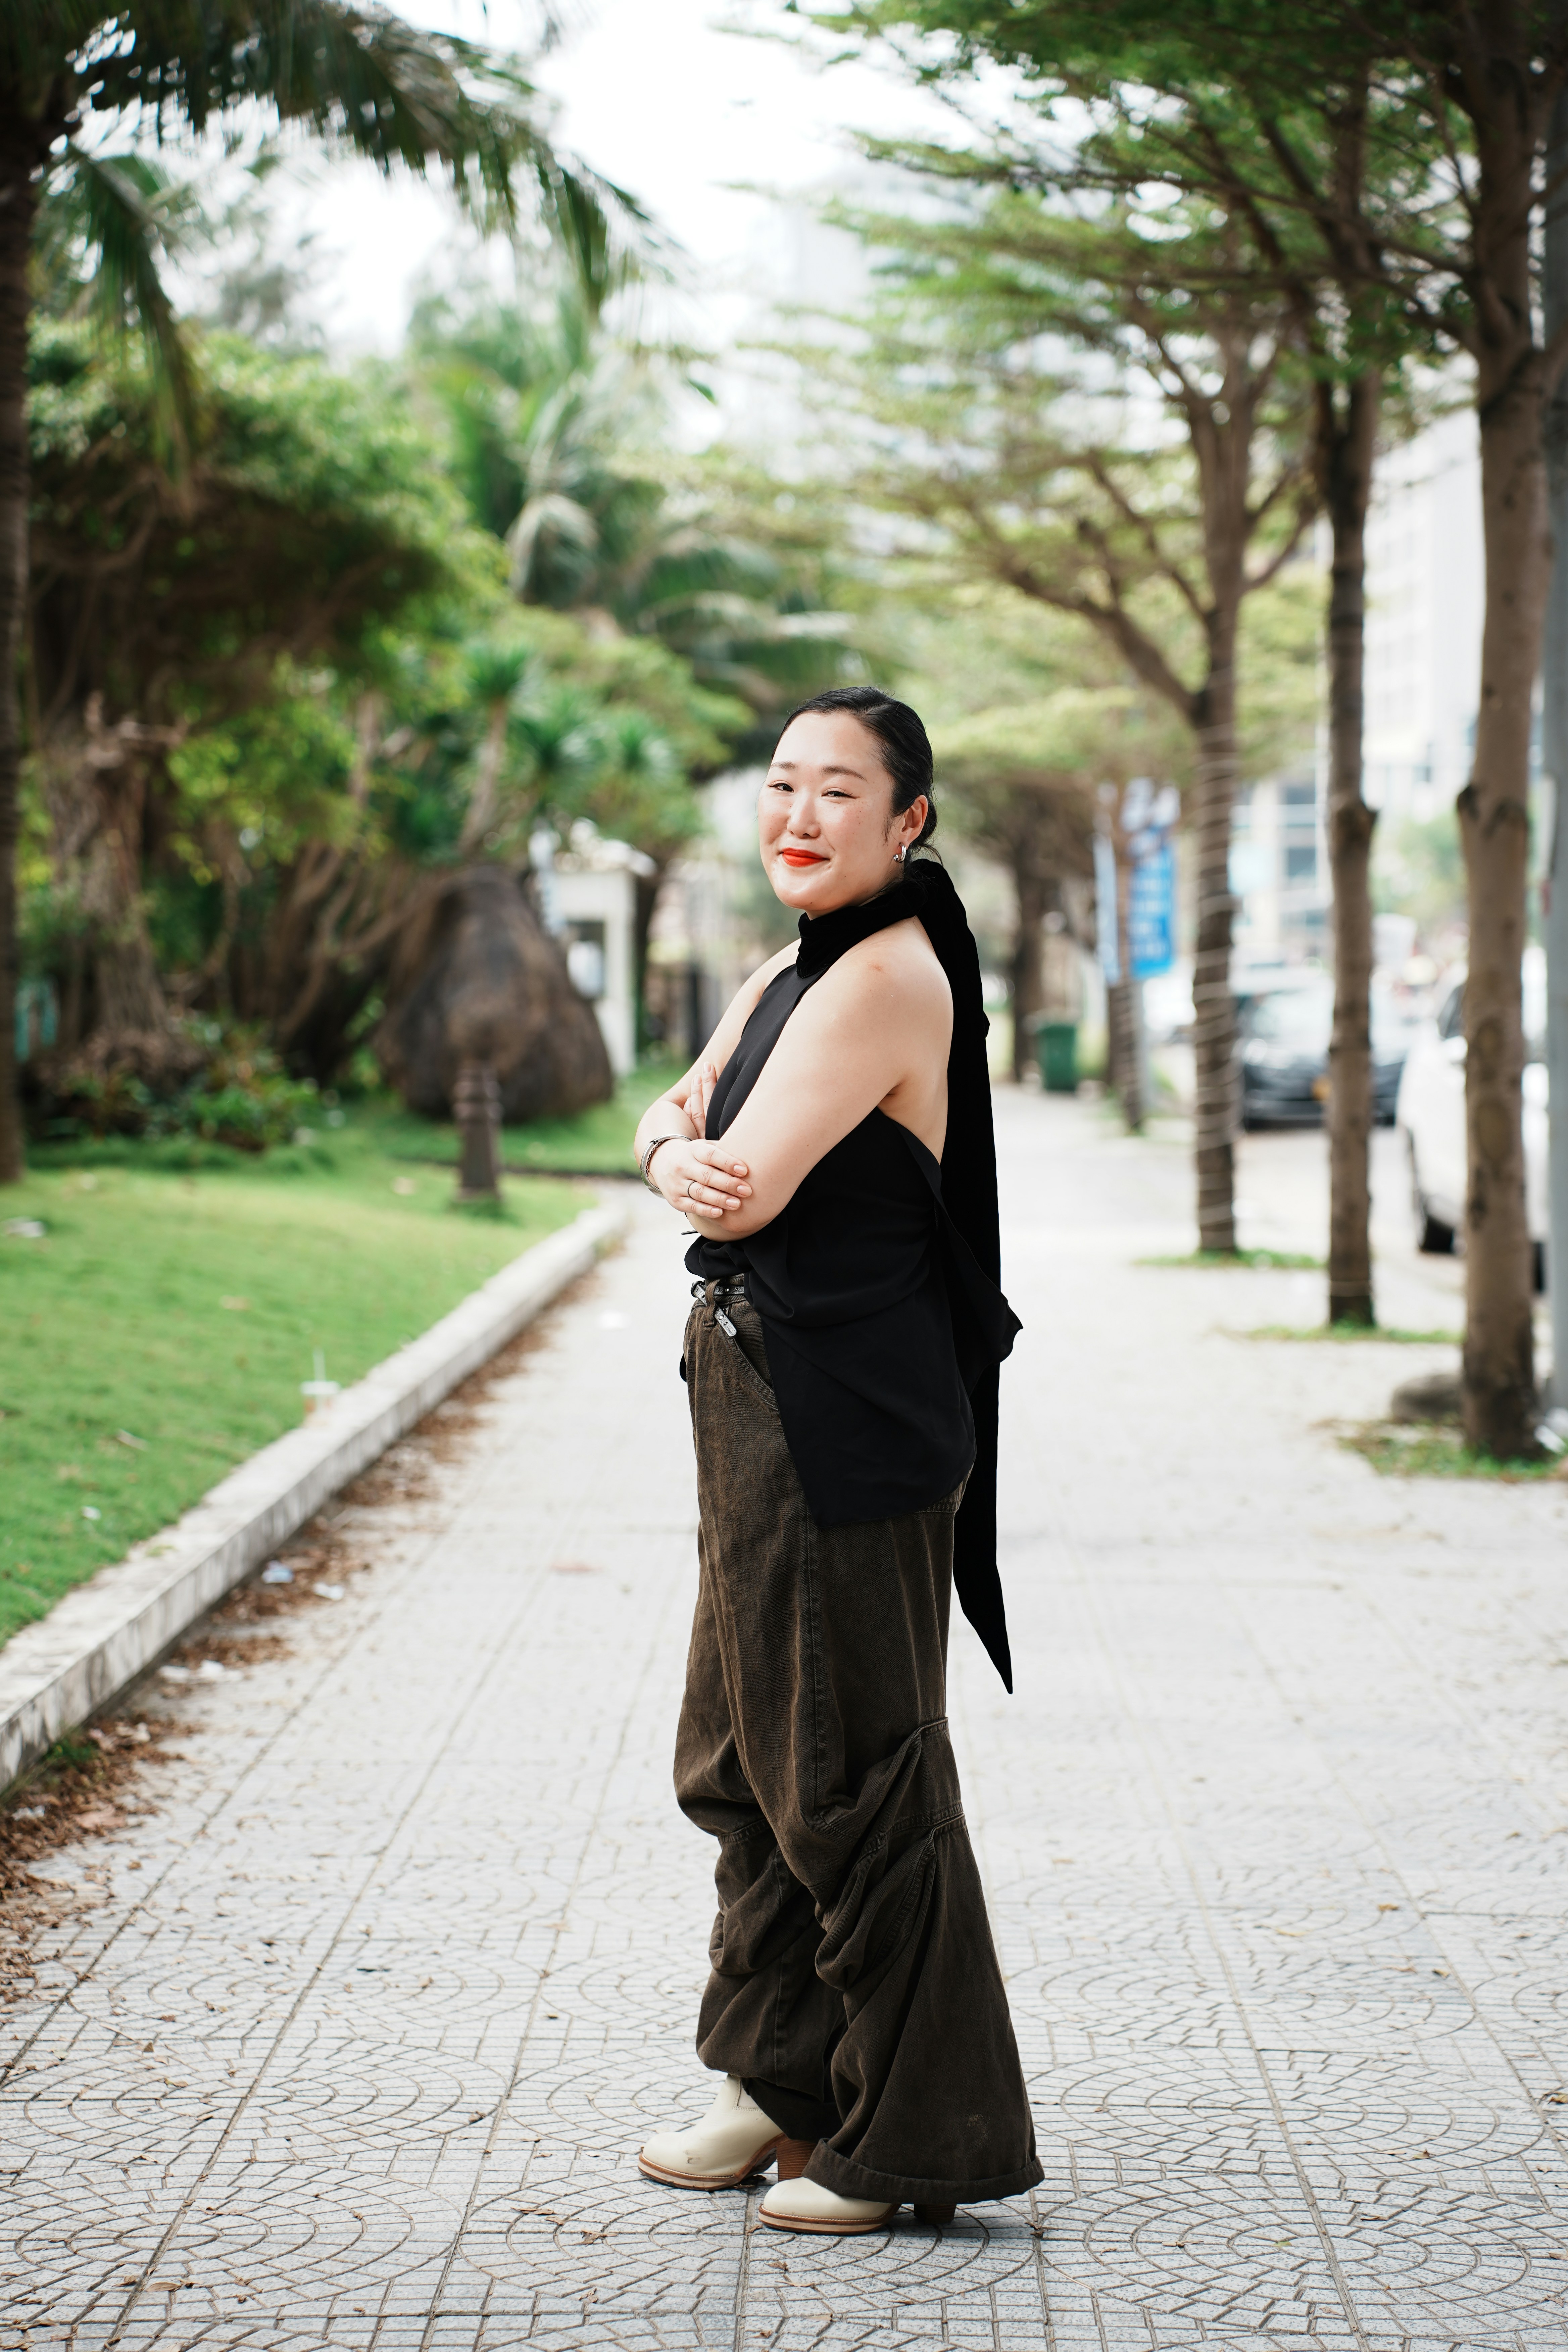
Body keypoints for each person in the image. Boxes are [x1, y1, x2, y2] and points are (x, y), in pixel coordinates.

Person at [632, 686, 1040, 2239]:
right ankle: (779, 2085)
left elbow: (734, 1194)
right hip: (754, 1411)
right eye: (783, 787)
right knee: (739, 1762)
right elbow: (678, 1131)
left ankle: (913, 2137)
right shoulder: (790, 968)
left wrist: (676, 1158)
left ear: (909, 822)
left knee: (851, 1777)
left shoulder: (883, 978)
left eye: (839, 794)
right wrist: (673, 1147)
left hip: (845, 1427)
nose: (797, 818)